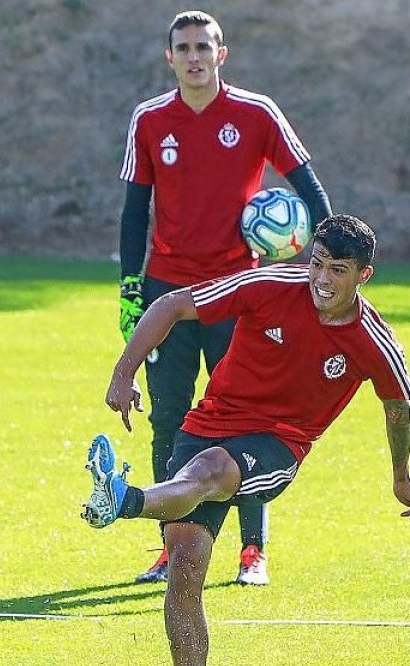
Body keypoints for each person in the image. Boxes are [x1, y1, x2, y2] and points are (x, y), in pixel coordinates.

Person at [83, 215, 410, 666]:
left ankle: (123, 500)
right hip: (208, 422)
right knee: (184, 572)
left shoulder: (373, 340)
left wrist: (401, 475)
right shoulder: (268, 284)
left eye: (338, 270)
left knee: (207, 471)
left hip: (278, 444)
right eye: (317, 263)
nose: (321, 280)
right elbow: (170, 305)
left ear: (363, 276)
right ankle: (123, 503)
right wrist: (123, 376)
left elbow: (397, 407)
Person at [116, 10, 334, 585]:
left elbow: (310, 192)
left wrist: (325, 273)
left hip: (241, 291)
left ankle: (252, 550)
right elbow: (135, 209)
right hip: (170, 290)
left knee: (247, 419)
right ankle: (170, 546)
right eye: (183, 48)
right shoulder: (149, 120)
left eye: (203, 47)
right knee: (169, 419)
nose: (193, 56)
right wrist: (130, 287)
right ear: (170, 58)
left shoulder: (257, 114)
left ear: (221, 54)